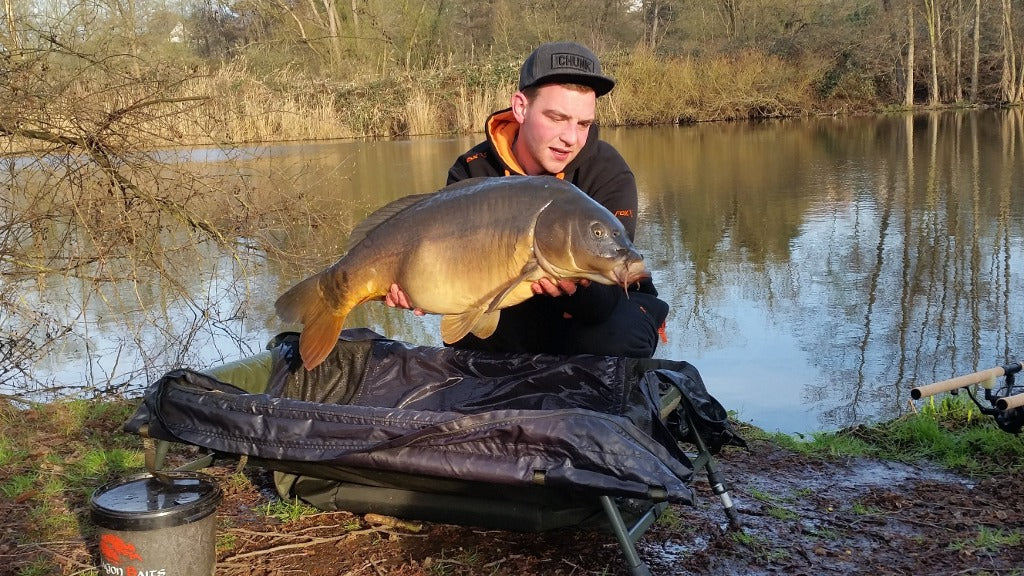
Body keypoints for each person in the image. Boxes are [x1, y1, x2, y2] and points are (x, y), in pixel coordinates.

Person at [387, 41, 669, 358]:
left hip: (607, 307)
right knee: (472, 344)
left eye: (583, 123)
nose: (571, 138)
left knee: (613, 338)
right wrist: (420, 287)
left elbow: (607, 299)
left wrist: (574, 290)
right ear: (521, 107)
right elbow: (457, 282)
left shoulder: (608, 173)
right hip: (511, 304)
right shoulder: (474, 170)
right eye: (557, 118)